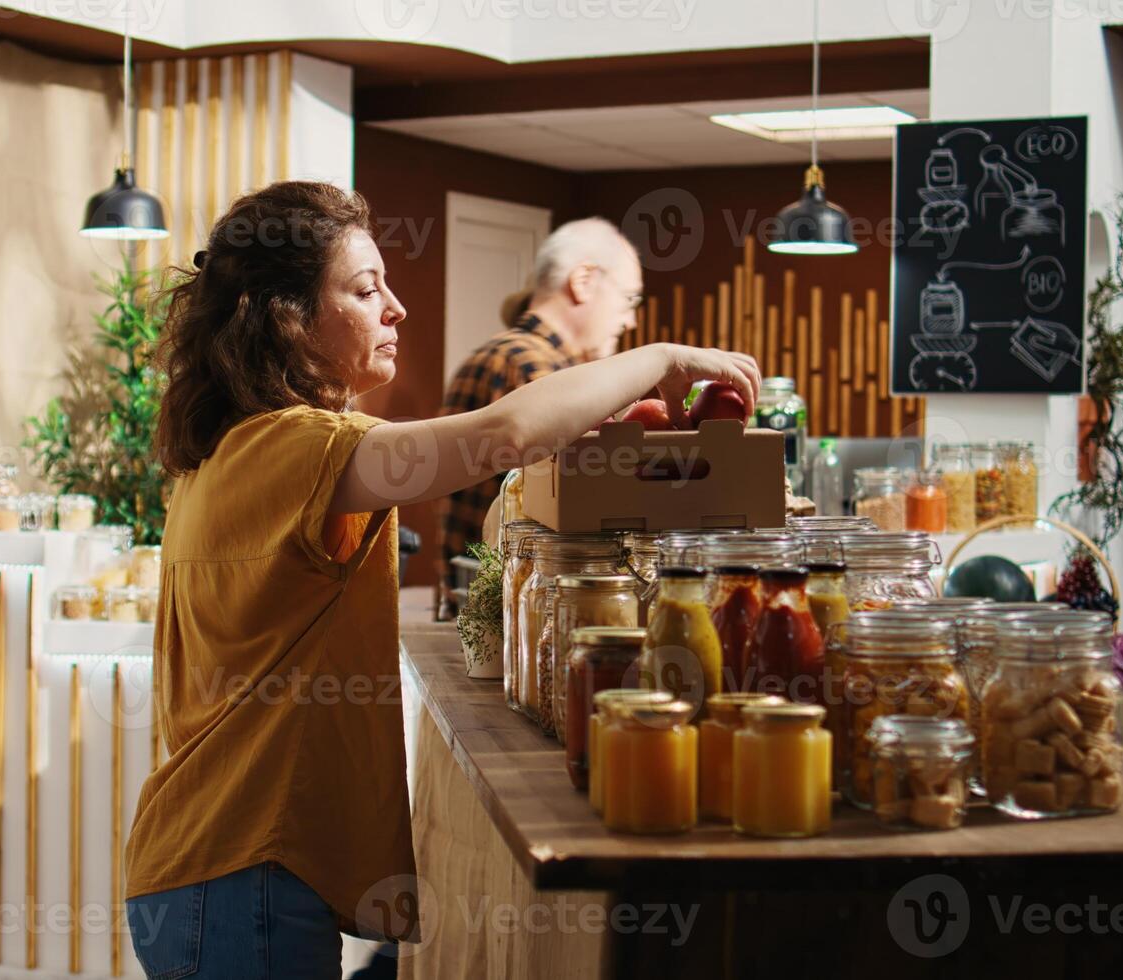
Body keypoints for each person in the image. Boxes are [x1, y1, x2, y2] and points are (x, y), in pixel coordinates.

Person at [125, 181, 757, 979]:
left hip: (219, 862)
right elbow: (503, 434)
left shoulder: (238, 448)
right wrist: (659, 360)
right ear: (282, 316)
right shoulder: (288, 445)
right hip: (236, 867)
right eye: (364, 290)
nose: (396, 309)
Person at [436, 218, 646, 608]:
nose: (630, 319)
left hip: (487, 610)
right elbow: (587, 501)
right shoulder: (534, 368)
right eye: (629, 298)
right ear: (583, 281)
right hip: (516, 612)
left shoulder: (509, 353)